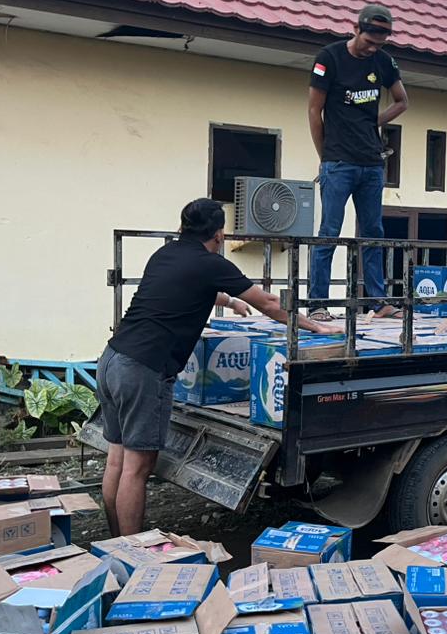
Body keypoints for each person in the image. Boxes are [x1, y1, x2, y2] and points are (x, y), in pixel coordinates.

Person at [96, 198, 340, 536]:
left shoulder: (164, 254)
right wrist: (314, 326)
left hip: (112, 359)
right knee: (137, 469)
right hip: (143, 369)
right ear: (219, 235)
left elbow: (191, 287)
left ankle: (114, 542)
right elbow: (270, 303)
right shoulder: (210, 264)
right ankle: (132, 550)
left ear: (183, 227)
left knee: (117, 460)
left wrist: (231, 301)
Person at [308, 3, 409, 320]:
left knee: (373, 232)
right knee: (329, 232)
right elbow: (314, 111)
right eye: (368, 42)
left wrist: (374, 121)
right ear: (356, 30)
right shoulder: (330, 57)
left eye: (379, 44)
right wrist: (324, 155)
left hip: (371, 162)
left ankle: (379, 302)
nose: (372, 49)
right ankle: (318, 304)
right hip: (338, 162)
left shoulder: (384, 61)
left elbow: (402, 101)